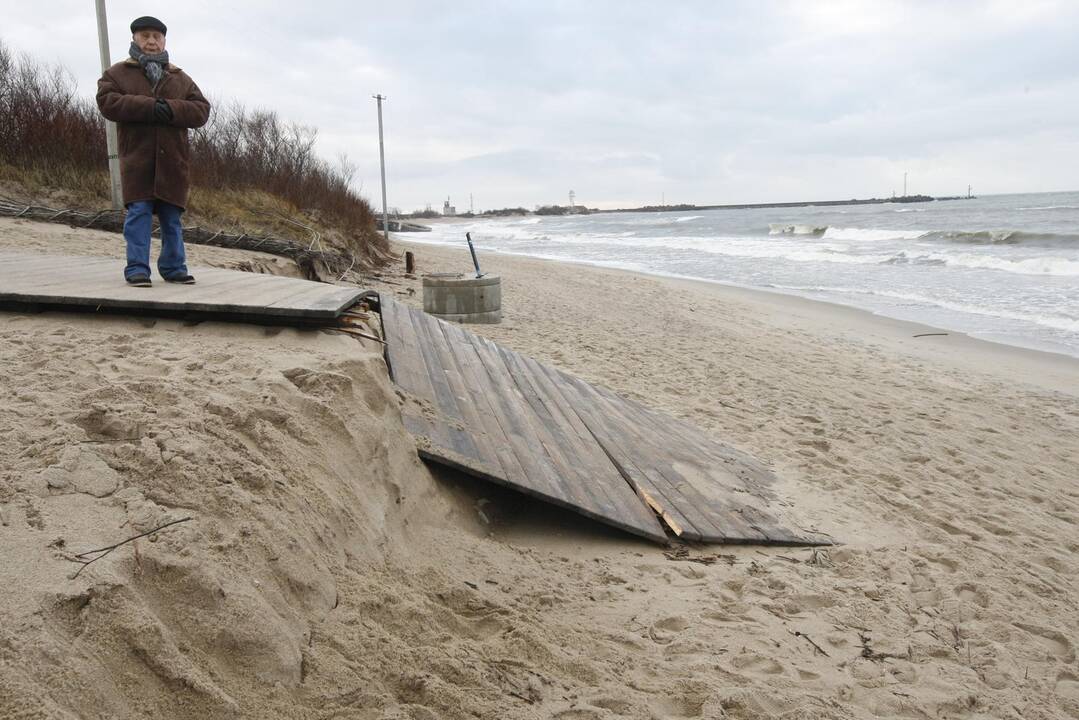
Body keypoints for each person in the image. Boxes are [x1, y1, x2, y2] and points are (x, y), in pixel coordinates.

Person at [96, 16, 210, 287]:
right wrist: (148, 106)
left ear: (164, 41)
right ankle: (137, 270)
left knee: (172, 219)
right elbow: (107, 102)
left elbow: (201, 110)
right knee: (139, 215)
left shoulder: (180, 77)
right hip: (137, 159)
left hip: (173, 162)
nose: (151, 41)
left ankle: (174, 268)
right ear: (134, 38)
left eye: (156, 36)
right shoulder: (117, 73)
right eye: (145, 35)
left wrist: (170, 109)